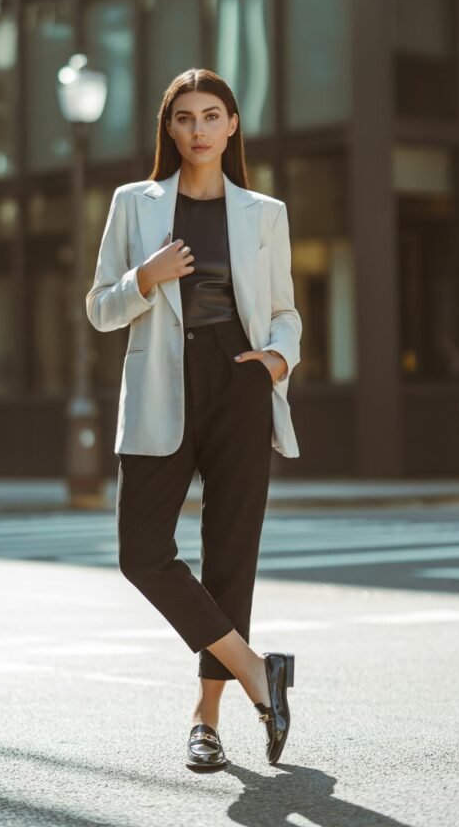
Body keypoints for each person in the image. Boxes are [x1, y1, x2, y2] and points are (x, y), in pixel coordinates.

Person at [85, 68, 302, 770]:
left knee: (229, 555)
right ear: (168, 128)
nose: (199, 130)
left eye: (212, 116)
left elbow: (286, 311)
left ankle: (206, 721)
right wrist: (143, 280)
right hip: (160, 386)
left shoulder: (265, 212)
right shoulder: (135, 203)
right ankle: (252, 669)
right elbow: (99, 307)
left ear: (232, 125)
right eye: (185, 118)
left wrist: (277, 360)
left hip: (238, 381)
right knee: (142, 551)